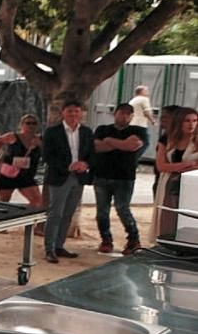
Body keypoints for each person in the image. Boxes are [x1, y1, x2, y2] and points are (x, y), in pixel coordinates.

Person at [41, 99, 94, 264]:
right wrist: (68, 166)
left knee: (68, 214)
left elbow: (92, 153)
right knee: (55, 213)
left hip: (79, 177)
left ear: (82, 113)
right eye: (70, 111)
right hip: (59, 177)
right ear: (63, 113)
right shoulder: (52, 132)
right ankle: (49, 248)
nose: (73, 114)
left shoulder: (86, 132)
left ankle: (59, 246)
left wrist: (85, 164)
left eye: (76, 111)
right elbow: (47, 156)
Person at [91, 103, 147, 255]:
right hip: (102, 175)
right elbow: (96, 147)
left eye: (128, 114)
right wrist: (122, 144)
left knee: (123, 209)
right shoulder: (102, 129)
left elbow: (133, 146)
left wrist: (110, 141)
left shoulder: (139, 131)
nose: (125, 116)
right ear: (115, 113)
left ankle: (133, 239)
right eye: (122, 113)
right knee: (102, 211)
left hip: (125, 177)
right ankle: (106, 240)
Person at [153, 107, 198, 243]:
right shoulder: (167, 139)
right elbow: (161, 166)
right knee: (168, 216)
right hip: (169, 182)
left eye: (195, 120)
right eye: (187, 121)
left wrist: (174, 168)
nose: (191, 124)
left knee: (189, 216)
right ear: (179, 122)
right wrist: (184, 166)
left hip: (192, 185)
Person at [0, 114, 43, 207]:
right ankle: (3, 218)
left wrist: (39, 145)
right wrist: (3, 151)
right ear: (22, 125)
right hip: (9, 174)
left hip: (26, 176)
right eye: (28, 123)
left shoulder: (40, 140)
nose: (31, 125)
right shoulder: (13, 136)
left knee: (38, 202)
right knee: (4, 201)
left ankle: (21, 214)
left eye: (34, 123)